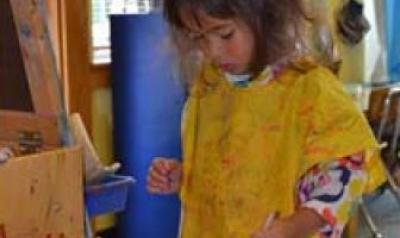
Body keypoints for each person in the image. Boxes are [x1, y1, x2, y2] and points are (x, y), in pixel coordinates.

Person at [147, 0, 386, 237]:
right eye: (198, 37)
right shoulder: (209, 89)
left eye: (225, 35)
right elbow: (226, 172)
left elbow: (346, 177)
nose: (212, 51)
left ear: (267, 17)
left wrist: (292, 227)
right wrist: (185, 176)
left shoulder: (310, 89)